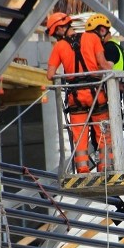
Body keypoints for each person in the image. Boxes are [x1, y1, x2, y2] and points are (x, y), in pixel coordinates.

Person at [46, 12, 114, 173]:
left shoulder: (59, 47)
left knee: (79, 134)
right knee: (103, 130)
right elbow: (104, 65)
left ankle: (82, 168)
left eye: (56, 32)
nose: (56, 36)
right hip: (96, 93)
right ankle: (104, 166)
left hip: (75, 97)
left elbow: (50, 74)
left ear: (62, 28)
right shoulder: (93, 38)